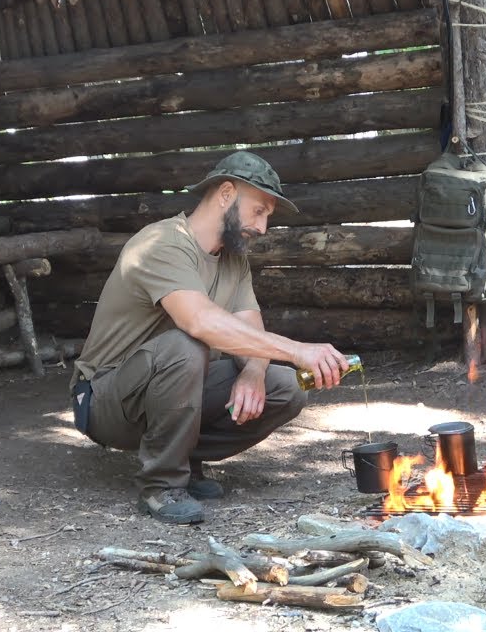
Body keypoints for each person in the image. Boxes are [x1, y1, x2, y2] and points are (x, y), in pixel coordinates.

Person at [70, 151, 351, 525]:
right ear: (226, 193)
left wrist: (252, 374)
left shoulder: (234, 259)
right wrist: (298, 350)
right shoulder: (162, 243)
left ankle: (184, 461)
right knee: (187, 344)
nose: (263, 227)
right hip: (104, 399)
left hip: (168, 385)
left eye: (267, 216)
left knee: (285, 387)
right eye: (259, 210)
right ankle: (161, 484)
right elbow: (200, 321)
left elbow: (252, 331)